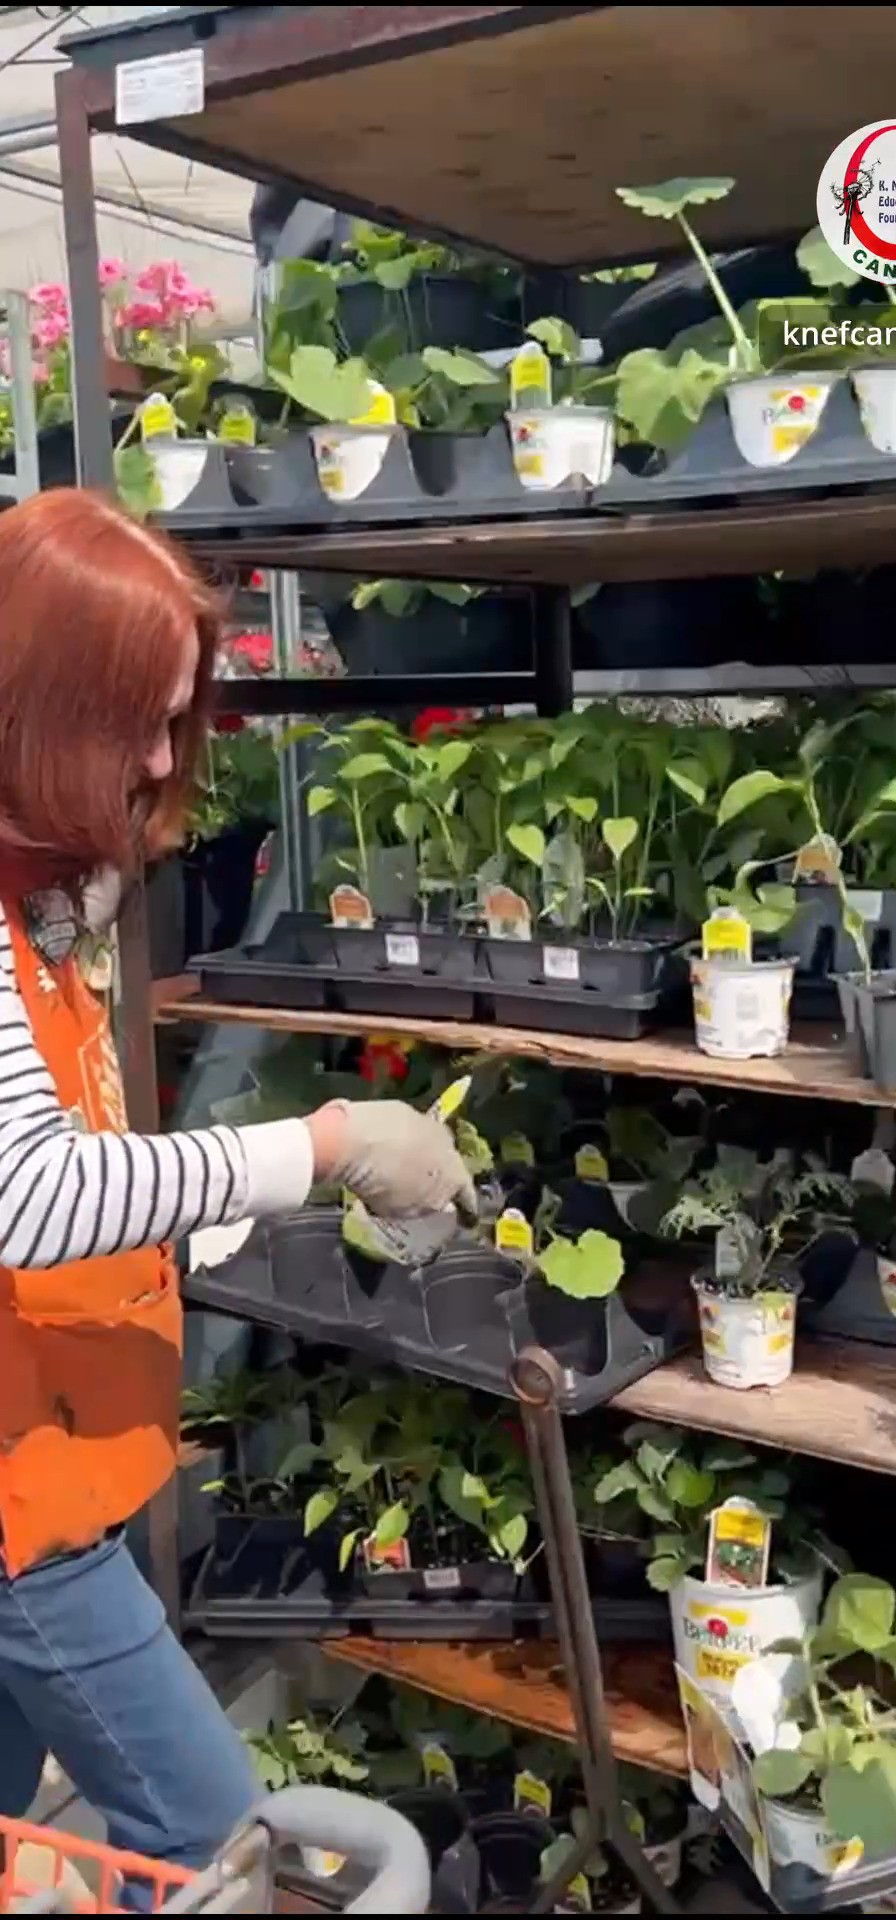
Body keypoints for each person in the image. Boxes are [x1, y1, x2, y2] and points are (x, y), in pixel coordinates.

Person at [0, 489, 474, 1885]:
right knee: (209, 1837)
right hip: (26, 1511)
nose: (157, 758)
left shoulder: (38, 899)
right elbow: (24, 1190)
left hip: (58, 1453)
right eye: (130, 722)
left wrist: (218, 1207)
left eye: (173, 719)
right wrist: (321, 1146)